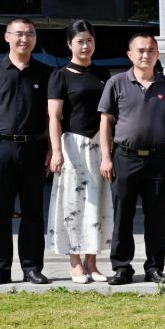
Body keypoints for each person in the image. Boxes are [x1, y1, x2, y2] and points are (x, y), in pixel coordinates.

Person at [0, 18, 53, 285]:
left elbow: (51, 115)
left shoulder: (45, 72)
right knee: (1, 210)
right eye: (19, 34)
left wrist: (51, 149)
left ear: (35, 38)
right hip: (1, 147)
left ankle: (31, 267)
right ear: (7, 37)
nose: (24, 39)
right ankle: (0, 268)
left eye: (30, 34)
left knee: (33, 210)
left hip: (34, 147)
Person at [99, 33, 165, 284]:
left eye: (151, 50)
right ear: (130, 54)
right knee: (123, 214)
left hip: (157, 158)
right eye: (141, 50)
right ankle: (122, 267)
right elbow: (106, 121)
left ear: (158, 54)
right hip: (124, 157)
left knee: (156, 216)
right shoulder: (116, 83)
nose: (146, 55)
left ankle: (154, 267)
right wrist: (106, 157)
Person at [46, 20, 110, 283]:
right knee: (72, 203)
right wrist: (56, 151)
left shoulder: (103, 73)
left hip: (99, 144)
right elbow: (54, 117)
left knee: (97, 202)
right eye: (80, 41)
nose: (85, 46)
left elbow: (108, 114)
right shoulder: (59, 76)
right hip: (72, 144)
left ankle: (92, 262)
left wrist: (108, 150)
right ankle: (74, 262)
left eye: (89, 40)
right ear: (69, 44)